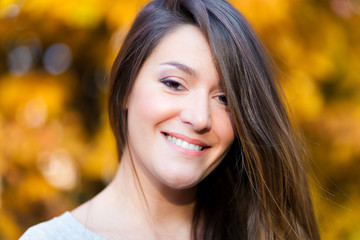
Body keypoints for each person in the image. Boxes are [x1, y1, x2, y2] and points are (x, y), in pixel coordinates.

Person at [20, 0, 320, 239]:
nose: (200, 117)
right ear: (125, 88)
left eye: (225, 99)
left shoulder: (268, 233)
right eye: (174, 84)